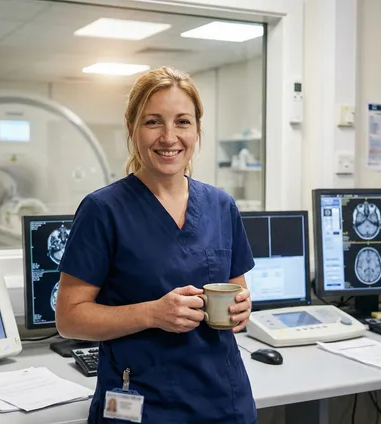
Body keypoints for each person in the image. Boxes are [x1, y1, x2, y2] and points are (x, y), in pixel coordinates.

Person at [55, 66, 257, 423]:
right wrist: (153, 314)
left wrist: (243, 307)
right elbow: (70, 318)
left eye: (182, 122)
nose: (169, 137)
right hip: (141, 403)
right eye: (153, 122)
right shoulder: (103, 210)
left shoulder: (220, 206)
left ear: (197, 130)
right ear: (132, 128)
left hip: (223, 401)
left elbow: (238, 290)